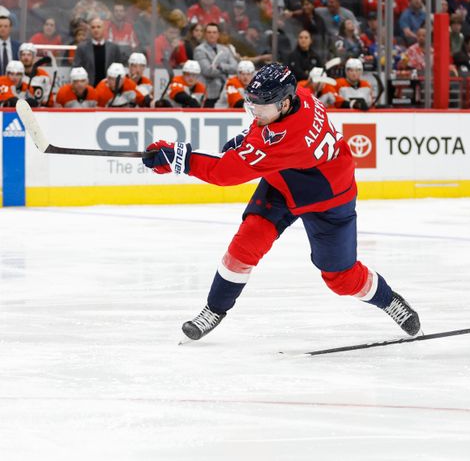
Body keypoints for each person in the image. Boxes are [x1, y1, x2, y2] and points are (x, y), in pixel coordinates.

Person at [142, 63, 421, 341]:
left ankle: (389, 301)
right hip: (285, 181)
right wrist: (246, 138)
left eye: (261, 107)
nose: (255, 113)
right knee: (245, 246)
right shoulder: (296, 97)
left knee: (341, 278)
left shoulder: (289, 140)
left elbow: (224, 173)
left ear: (284, 103)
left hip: (328, 198)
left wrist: (176, 158)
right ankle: (214, 310)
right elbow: (262, 131)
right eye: (252, 105)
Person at [194, 23, 238, 108]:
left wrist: (221, 66)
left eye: (214, 32)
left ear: (218, 34)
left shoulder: (225, 49)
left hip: (224, 91)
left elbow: (235, 67)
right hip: (208, 92)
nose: (212, 35)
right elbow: (208, 71)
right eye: (209, 32)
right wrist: (226, 71)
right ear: (205, 34)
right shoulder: (199, 50)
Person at [73, 17, 125, 86]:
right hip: (88, 89)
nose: (96, 30)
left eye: (98, 27)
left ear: (104, 28)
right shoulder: (82, 48)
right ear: (90, 30)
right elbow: (76, 68)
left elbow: (119, 68)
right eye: (93, 27)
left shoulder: (114, 48)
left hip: (108, 89)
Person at [18, 42, 52, 107]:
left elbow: (48, 100)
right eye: (23, 55)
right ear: (20, 57)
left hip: (39, 112)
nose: (26, 57)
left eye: (29, 55)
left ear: (34, 57)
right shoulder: (15, 74)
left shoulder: (44, 75)